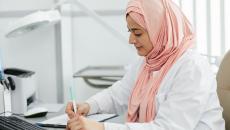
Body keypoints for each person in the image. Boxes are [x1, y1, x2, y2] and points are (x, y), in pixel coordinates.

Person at [65, 0, 225, 129]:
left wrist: (101, 128)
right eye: (130, 32)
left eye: (138, 33)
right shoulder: (148, 62)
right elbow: (120, 93)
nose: (131, 40)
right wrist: (89, 105)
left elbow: (169, 127)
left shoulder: (192, 68)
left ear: (160, 30)